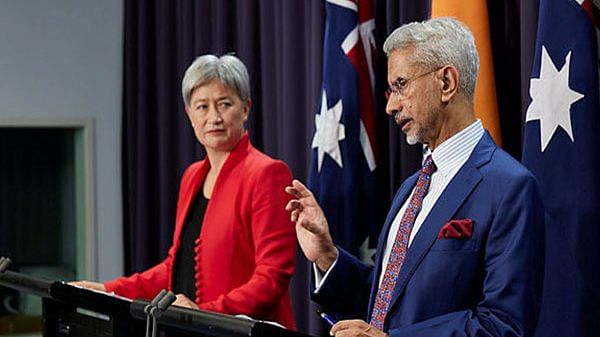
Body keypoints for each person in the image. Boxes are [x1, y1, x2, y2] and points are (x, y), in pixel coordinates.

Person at [286, 18, 544, 337]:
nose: (391, 106)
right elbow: (387, 303)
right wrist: (328, 256)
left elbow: (503, 325)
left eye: (401, 85)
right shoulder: (412, 188)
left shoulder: (510, 187)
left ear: (446, 82)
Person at [74, 54, 296, 328]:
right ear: (189, 114)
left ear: (246, 108)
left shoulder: (267, 173)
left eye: (225, 104)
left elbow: (271, 278)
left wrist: (203, 314)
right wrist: (107, 290)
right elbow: (175, 267)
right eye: (202, 106)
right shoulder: (192, 176)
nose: (214, 117)